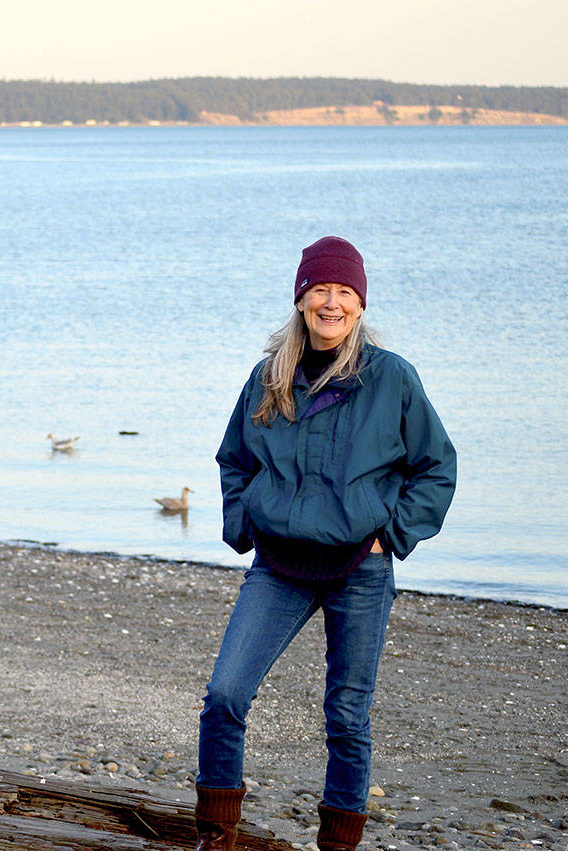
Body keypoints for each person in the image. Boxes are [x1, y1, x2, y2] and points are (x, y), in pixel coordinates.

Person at [194, 236, 456, 851]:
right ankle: (216, 835)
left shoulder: (391, 377)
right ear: (302, 299)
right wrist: (244, 522)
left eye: (344, 292)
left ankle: (336, 845)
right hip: (279, 567)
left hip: (358, 572)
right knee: (225, 696)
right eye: (320, 290)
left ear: (360, 305)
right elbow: (234, 460)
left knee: (346, 716)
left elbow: (436, 466)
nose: (331, 302)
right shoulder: (268, 377)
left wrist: (390, 535)